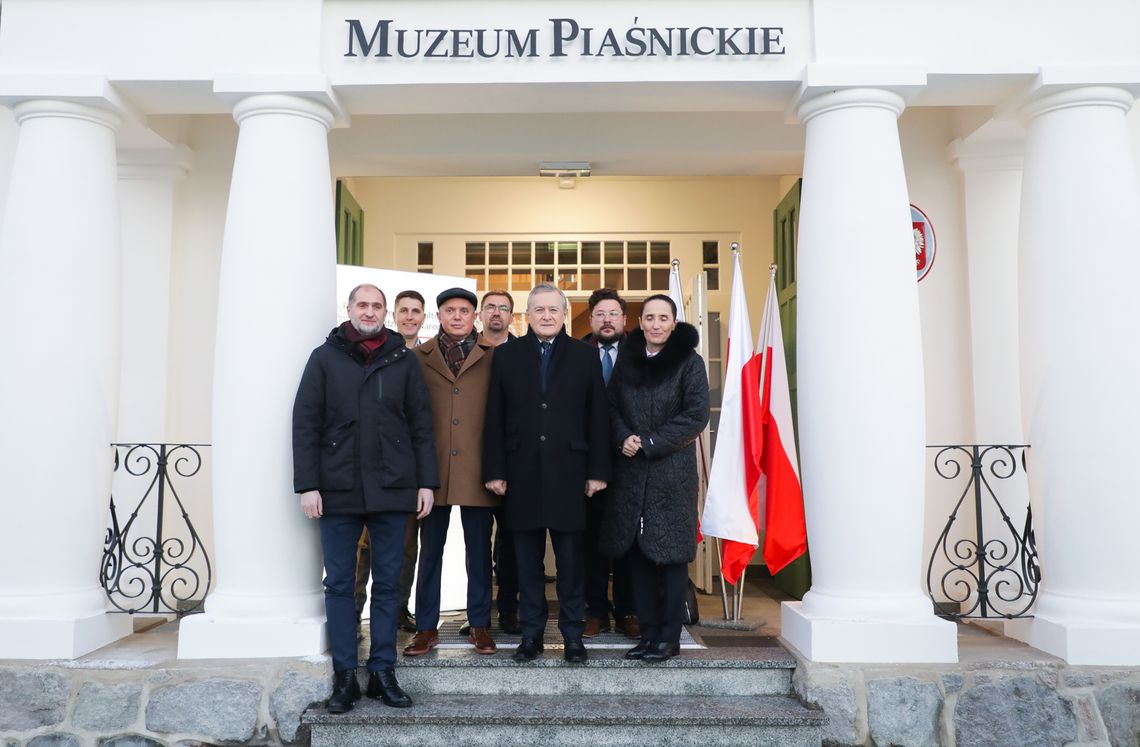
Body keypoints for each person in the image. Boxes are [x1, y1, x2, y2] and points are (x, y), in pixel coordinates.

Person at [293, 283, 438, 712]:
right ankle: (344, 677)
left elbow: (421, 426)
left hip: (394, 488)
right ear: (349, 308)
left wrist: (426, 483)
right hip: (337, 489)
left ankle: (381, 672)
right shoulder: (324, 358)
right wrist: (307, 485)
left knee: (389, 585)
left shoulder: (403, 359)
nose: (370, 311)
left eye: (377, 306)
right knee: (339, 585)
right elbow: (305, 423)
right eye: (363, 304)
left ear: (385, 312)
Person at [483, 283, 611, 663]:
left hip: (571, 474)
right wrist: (495, 470)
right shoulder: (506, 356)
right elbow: (494, 417)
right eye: (538, 309)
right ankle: (532, 636)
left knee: (572, 565)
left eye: (553, 309)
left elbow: (598, 417)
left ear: (565, 314)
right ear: (527, 314)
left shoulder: (585, 356)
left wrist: (597, 471)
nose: (546, 316)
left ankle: (573, 636)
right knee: (526, 564)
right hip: (520, 473)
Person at [600, 293, 709, 663]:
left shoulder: (689, 363)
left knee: (672, 556)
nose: (656, 324)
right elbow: (610, 406)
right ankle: (647, 634)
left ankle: (669, 636)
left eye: (664, 318)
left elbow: (696, 415)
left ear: (673, 323)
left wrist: (648, 442)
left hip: (671, 473)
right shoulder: (629, 359)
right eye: (650, 317)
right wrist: (622, 437)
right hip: (630, 471)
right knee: (637, 554)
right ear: (641, 322)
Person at [405, 287, 500, 657]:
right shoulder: (418, 357)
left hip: (479, 469)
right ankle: (426, 627)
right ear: (439, 315)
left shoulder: (494, 357)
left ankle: (479, 624)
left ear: (474, 316)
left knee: (479, 552)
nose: (457, 316)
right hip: (433, 471)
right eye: (449, 310)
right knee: (430, 552)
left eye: (464, 310)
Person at [355, 288, 426, 635]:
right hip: (366, 469)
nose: (409, 316)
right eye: (404, 310)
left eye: (416, 311)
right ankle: (353, 610)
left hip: (405, 467)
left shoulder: (424, 356)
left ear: (423, 318)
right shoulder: (374, 352)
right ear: (392, 314)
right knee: (362, 546)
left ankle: (399, 610)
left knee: (405, 546)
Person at [580, 288, 640, 640]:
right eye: (600, 314)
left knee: (629, 541)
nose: (607, 320)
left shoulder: (643, 353)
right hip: (588, 464)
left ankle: (629, 611)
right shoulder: (576, 353)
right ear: (590, 320)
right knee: (592, 541)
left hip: (633, 462)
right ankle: (596, 611)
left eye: (613, 314)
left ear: (624, 319)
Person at [479, 289, 521, 634]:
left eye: (503, 308)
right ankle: (477, 617)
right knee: (475, 546)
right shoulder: (461, 350)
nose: (496, 313)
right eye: (490, 307)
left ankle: (509, 610)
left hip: (514, 462)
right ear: (481, 314)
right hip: (468, 460)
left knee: (511, 542)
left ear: (512, 316)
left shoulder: (524, 353)